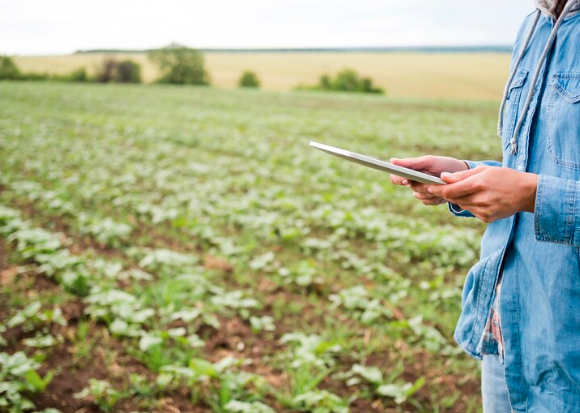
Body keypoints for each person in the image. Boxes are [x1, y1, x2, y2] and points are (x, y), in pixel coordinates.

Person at [390, 1, 580, 412]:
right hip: (509, 330)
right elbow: (531, 169)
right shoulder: (535, 25)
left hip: (570, 347)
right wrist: (464, 174)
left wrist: (531, 195)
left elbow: (533, 187)